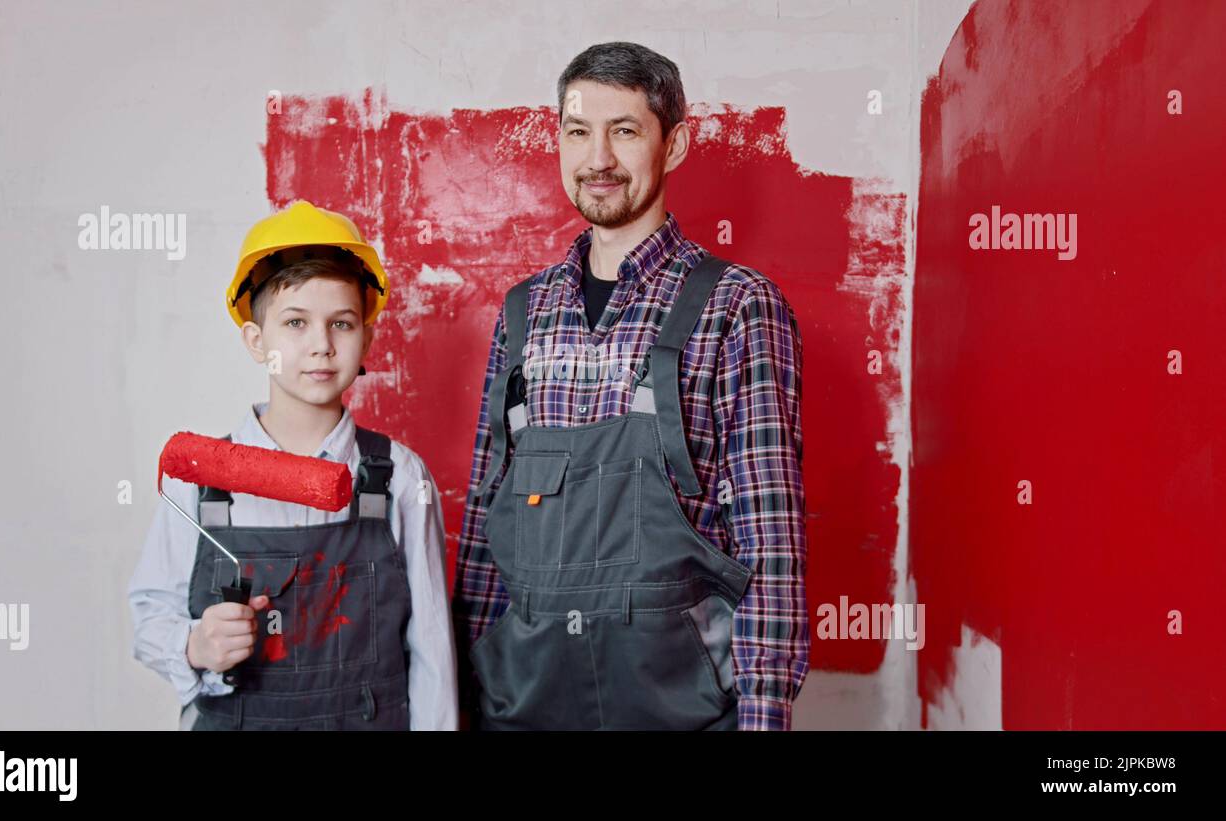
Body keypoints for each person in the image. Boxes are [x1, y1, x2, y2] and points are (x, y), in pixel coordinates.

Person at [453, 42, 808, 730]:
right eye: (579, 131)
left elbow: (770, 545)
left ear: (672, 145)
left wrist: (764, 720)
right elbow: (483, 532)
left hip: (680, 711)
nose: (598, 160)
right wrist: (462, 701)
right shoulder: (524, 312)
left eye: (624, 131)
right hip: (523, 709)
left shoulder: (735, 306)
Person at [129, 200, 456, 730]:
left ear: (367, 337)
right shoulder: (201, 482)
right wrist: (194, 643)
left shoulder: (400, 478)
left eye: (342, 324)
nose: (321, 346)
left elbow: (433, 655)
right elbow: (148, 617)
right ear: (257, 342)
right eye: (295, 323)